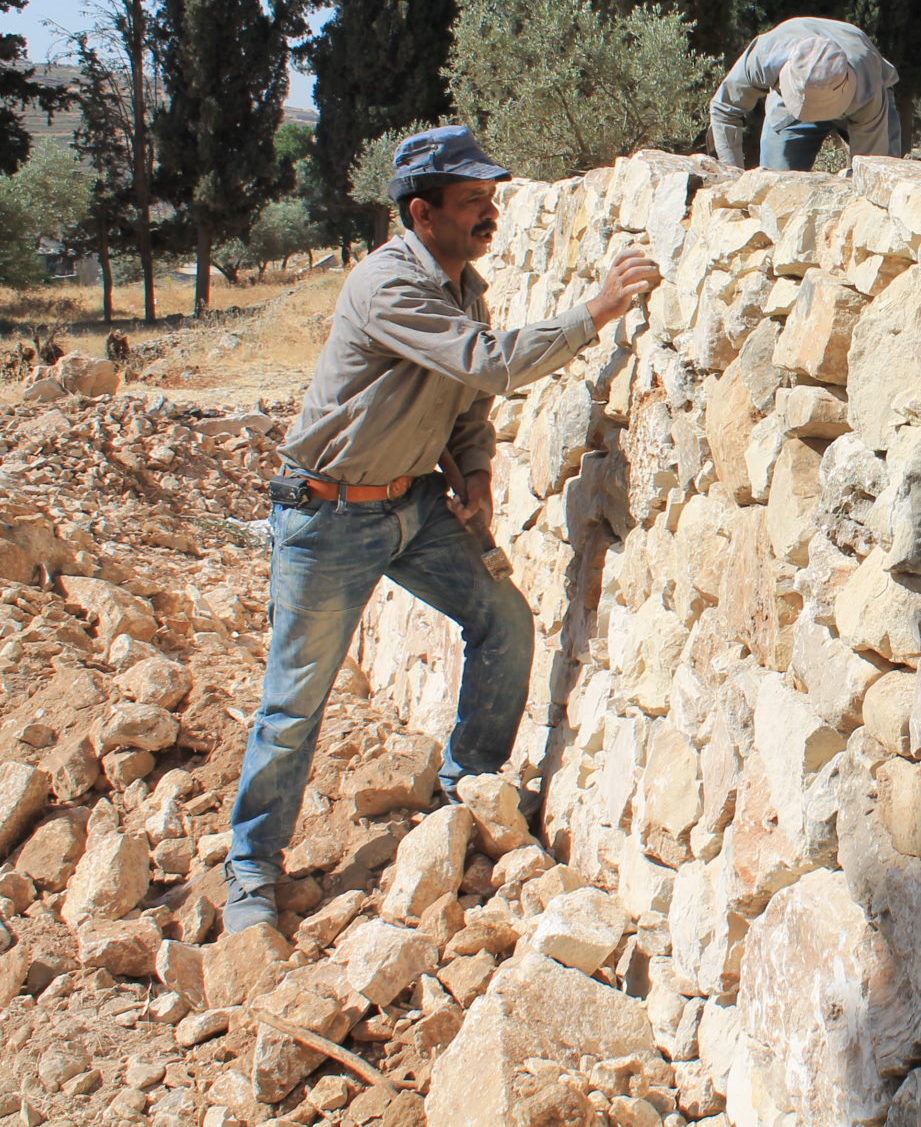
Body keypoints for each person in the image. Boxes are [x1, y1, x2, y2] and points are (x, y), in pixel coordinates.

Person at [222, 125, 662, 934]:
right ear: (422, 214)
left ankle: (469, 789)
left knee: (504, 622)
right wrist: (595, 310)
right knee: (294, 703)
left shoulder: (463, 286)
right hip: (326, 514)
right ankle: (251, 872)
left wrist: (481, 474)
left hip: (412, 504)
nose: (488, 214)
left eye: (490, 200)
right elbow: (487, 362)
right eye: (472, 203)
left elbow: (469, 403)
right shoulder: (387, 284)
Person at [709, 16, 903, 171]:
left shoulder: (868, 87)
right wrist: (732, 175)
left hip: (859, 101)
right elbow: (724, 109)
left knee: (884, 187)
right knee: (776, 191)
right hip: (788, 103)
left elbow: (871, 170)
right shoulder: (765, 56)